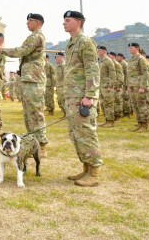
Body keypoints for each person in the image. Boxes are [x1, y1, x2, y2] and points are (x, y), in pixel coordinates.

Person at [0, 13, 48, 156]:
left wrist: (2, 50)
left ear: (37, 22)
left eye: (29, 21)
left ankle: (42, 145)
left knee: (35, 113)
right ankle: (33, 144)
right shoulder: (33, 36)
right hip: (29, 79)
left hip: (34, 79)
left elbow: (21, 51)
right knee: (29, 114)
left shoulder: (36, 37)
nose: (27, 23)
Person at [61, 10, 102, 187]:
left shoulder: (85, 42)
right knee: (76, 134)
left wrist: (90, 95)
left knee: (86, 133)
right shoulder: (71, 43)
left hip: (82, 97)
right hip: (72, 96)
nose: (64, 23)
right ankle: (85, 168)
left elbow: (92, 69)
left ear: (79, 22)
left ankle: (94, 173)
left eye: (67, 20)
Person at [127, 43, 149, 131]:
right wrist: (129, 85)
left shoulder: (141, 59)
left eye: (131, 48)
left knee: (142, 105)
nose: (130, 50)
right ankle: (140, 123)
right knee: (135, 105)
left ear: (137, 48)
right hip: (133, 85)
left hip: (139, 86)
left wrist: (142, 86)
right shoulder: (132, 59)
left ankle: (145, 125)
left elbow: (145, 73)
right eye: (129, 48)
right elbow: (130, 74)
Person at [97, 46, 117, 127]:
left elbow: (112, 74)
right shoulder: (99, 61)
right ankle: (107, 120)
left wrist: (110, 86)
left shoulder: (108, 61)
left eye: (100, 50)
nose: (98, 51)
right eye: (97, 50)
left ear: (104, 51)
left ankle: (110, 121)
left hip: (106, 86)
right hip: (101, 86)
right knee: (103, 104)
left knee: (108, 104)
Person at [108, 51, 124, 119]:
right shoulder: (110, 63)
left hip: (116, 86)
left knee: (117, 101)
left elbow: (120, 76)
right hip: (112, 85)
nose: (108, 56)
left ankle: (119, 115)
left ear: (113, 56)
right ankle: (114, 114)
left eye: (109, 55)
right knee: (112, 101)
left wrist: (119, 86)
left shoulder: (117, 64)